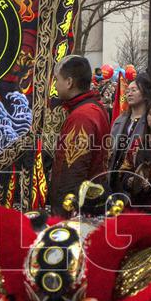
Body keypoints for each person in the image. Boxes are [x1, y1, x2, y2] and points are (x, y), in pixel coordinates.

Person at [47, 55, 110, 215]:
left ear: (68, 82)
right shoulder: (94, 108)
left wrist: (64, 213)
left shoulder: (82, 116)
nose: (55, 85)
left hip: (78, 210)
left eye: (57, 79)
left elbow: (73, 168)